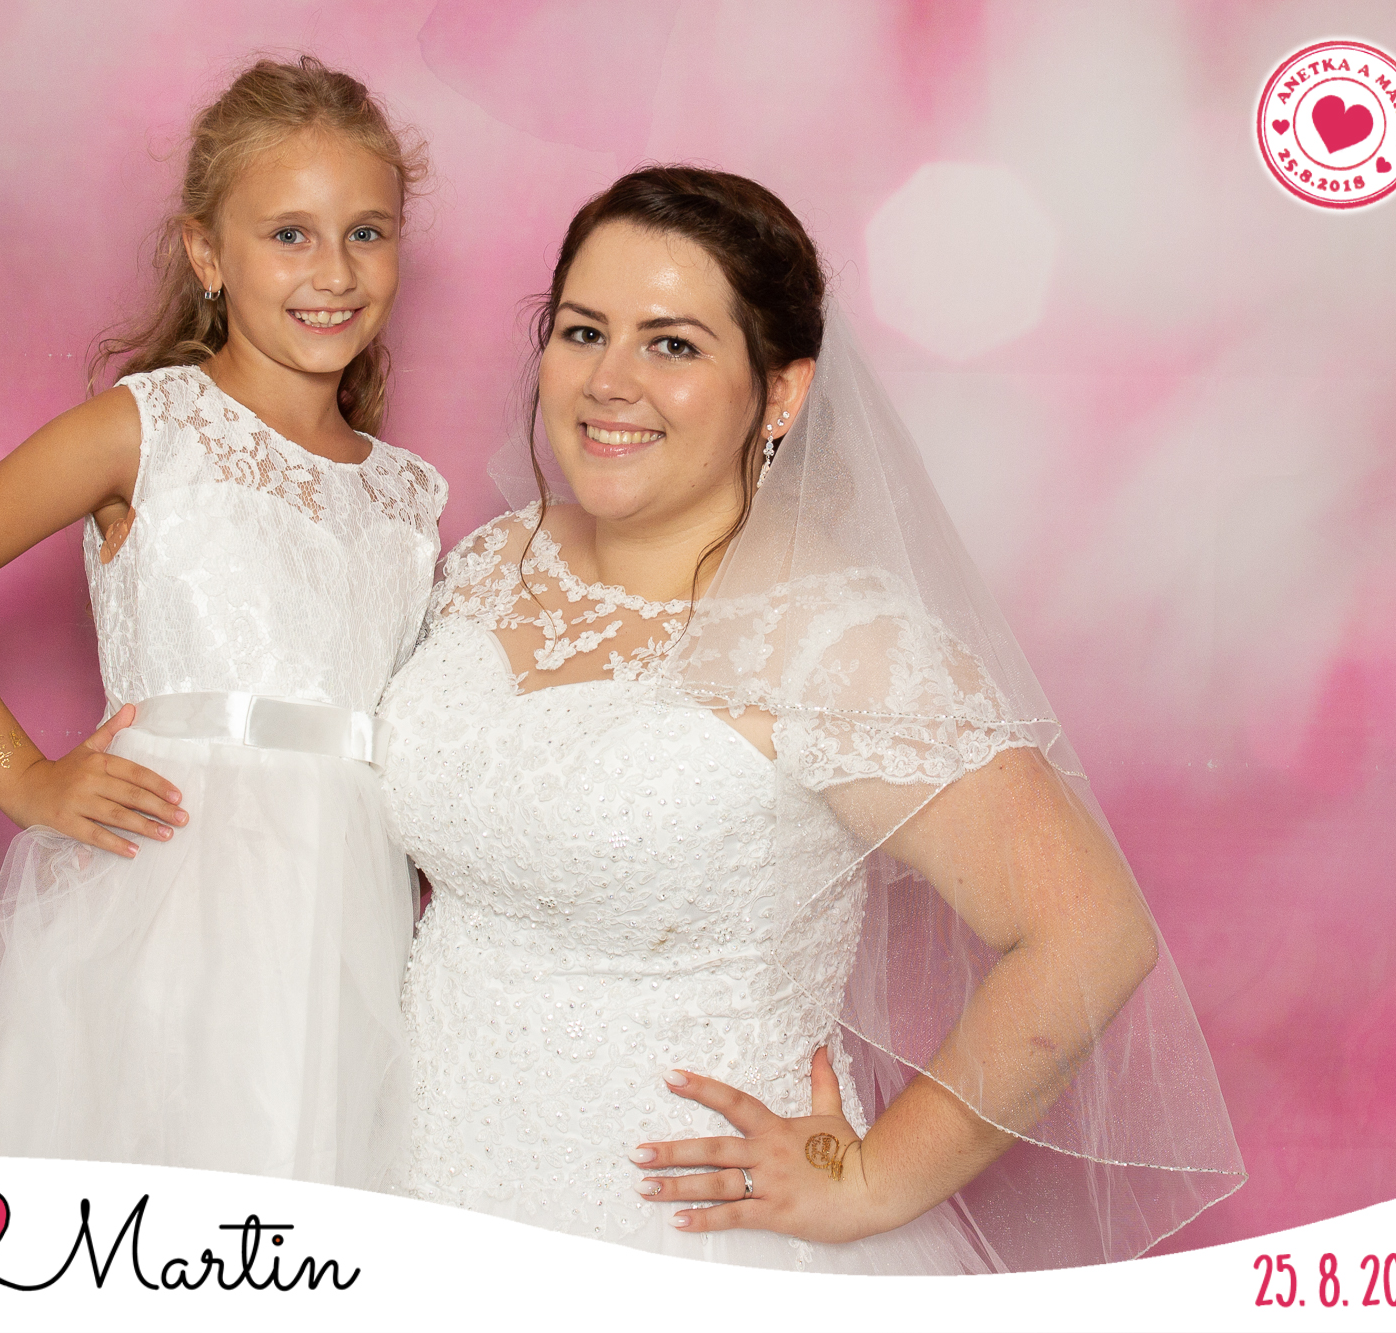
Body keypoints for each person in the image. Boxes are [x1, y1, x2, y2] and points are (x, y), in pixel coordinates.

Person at [377, 166, 1242, 1270]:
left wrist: (876, 1178)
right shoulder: (494, 562)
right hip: (414, 1173)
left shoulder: (836, 642)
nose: (610, 381)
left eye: (673, 345)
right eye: (584, 331)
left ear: (780, 394)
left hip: (676, 1236)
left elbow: (1091, 934)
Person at [0, 56, 443, 1190]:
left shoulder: (407, 495)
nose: (333, 272)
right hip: (173, 904)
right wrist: (22, 774)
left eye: (366, 233)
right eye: (289, 235)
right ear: (207, 254)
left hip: (348, 927)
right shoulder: (148, 429)